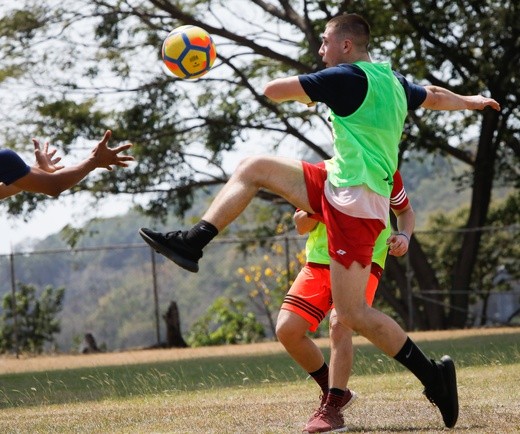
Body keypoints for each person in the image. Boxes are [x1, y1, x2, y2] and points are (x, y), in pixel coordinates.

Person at [139, 13, 500, 432]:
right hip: (339, 183)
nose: (320, 49)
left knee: (353, 314)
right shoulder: (394, 81)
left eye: (325, 41)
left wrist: (239, 64)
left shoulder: (345, 78)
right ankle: (193, 240)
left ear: (346, 46)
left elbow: (275, 90)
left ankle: (433, 377)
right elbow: (434, 95)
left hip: (356, 199)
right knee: (254, 166)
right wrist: (472, 101)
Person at [276, 168, 414, 426]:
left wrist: (404, 235)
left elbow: (405, 211)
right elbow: (301, 225)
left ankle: (332, 407)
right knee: (287, 330)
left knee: (341, 323)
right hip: (320, 261)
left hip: (364, 260)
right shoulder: (323, 173)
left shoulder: (384, 171)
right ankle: (335, 391)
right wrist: (321, 206)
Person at [0, 130, 133, 200]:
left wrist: (35, 173)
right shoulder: (4, 158)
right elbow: (53, 185)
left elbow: (4, 190)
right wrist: (94, 161)